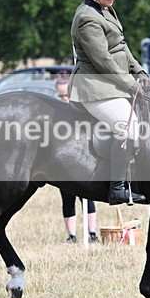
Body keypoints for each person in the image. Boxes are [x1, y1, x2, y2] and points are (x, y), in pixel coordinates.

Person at [68, 0, 150, 205]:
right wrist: (129, 84)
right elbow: (103, 60)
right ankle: (117, 189)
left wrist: (139, 70)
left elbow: (121, 47)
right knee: (128, 128)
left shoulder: (106, 11)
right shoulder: (87, 17)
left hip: (111, 84)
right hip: (95, 88)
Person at [56, 76, 98, 243]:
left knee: (88, 198)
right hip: (63, 164)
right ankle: (71, 235)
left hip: (82, 161)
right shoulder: (56, 113)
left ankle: (92, 233)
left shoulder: (79, 110)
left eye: (66, 95)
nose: (64, 99)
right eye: (60, 96)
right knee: (67, 198)